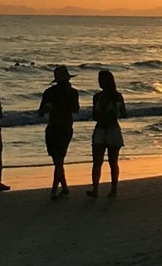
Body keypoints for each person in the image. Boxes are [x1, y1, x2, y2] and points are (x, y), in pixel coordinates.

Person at [38, 66, 81, 199]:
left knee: (58, 159)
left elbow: (41, 112)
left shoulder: (51, 92)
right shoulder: (71, 92)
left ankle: (55, 189)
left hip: (56, 127)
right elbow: (76, 110)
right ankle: (64, 188)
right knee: (58, 160)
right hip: (63, 127)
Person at [89, 70, 128, 198]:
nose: (99, 82)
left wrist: (113, 113)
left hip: (112, 130)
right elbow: (94, 115)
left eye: (101, 79)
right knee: (97, 161)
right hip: (101, 129)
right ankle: (95, 189)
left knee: (112, 161)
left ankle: (114, 189)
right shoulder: (97, 97)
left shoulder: (117, 96)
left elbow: (123, 113)